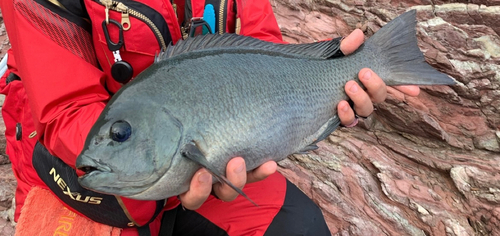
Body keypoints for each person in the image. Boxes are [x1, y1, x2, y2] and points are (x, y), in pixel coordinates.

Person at [0, 0, 419, 235]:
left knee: (301, 229)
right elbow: (66, 110)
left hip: (204, 171)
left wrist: (335, 76)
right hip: (77, 186)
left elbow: (260, 53)